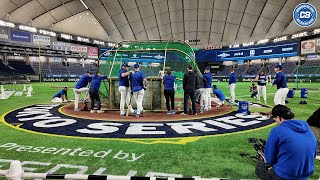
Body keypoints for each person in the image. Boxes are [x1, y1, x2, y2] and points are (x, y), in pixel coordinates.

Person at [256, 105, 317, 180]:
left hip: (285, 174)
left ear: (279, 117)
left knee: (260, 167)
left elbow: (270, 158)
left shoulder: (277, 130)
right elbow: (313, 153)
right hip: (305, 174)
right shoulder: (308, 130)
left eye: (275, 120)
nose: (276, 123)